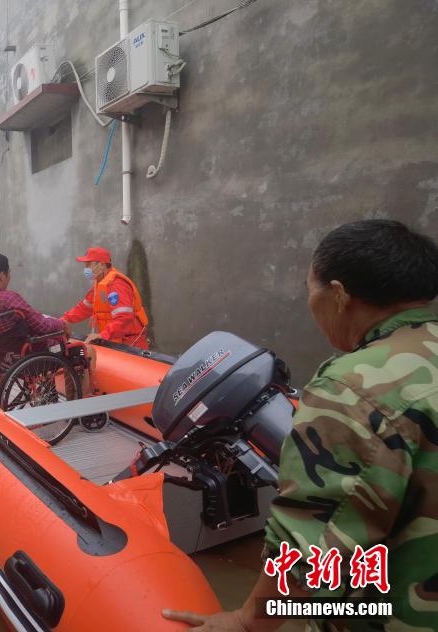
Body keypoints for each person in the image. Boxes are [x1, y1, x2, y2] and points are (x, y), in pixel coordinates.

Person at [163, 219, 438, 631]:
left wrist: (245, 621)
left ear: (339, 295)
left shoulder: (349, 387)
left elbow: (310, 543)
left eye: (311, 290)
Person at [0, 252, 70, 370]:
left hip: (2, 356)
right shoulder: (9, 299)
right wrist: (62, 324)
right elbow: (42, 325)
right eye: (9, 272)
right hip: (30, 354)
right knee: (81, 351)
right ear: (1, 276)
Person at [61, 247, 149, 349]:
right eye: (85, 265)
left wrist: (103, 335)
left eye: (88, 264)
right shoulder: (99, 284)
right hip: (115, 341)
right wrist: (63, 320)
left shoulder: (116, 285)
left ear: (102, 265)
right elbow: (84, 308)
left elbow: (124, 317)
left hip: (130, 345)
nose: (85, 269)